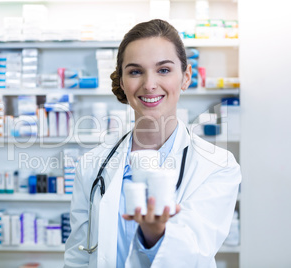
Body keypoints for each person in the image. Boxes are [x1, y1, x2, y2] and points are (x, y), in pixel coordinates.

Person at [64, 19, 241, 268]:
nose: (149, 84)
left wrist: (155, 234)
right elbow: (78, 255)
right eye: (135, 71)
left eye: (164, 70)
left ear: (186, 77)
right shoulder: (91, 165)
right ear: (122, 82)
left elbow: (199, 251)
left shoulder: (218, 166)